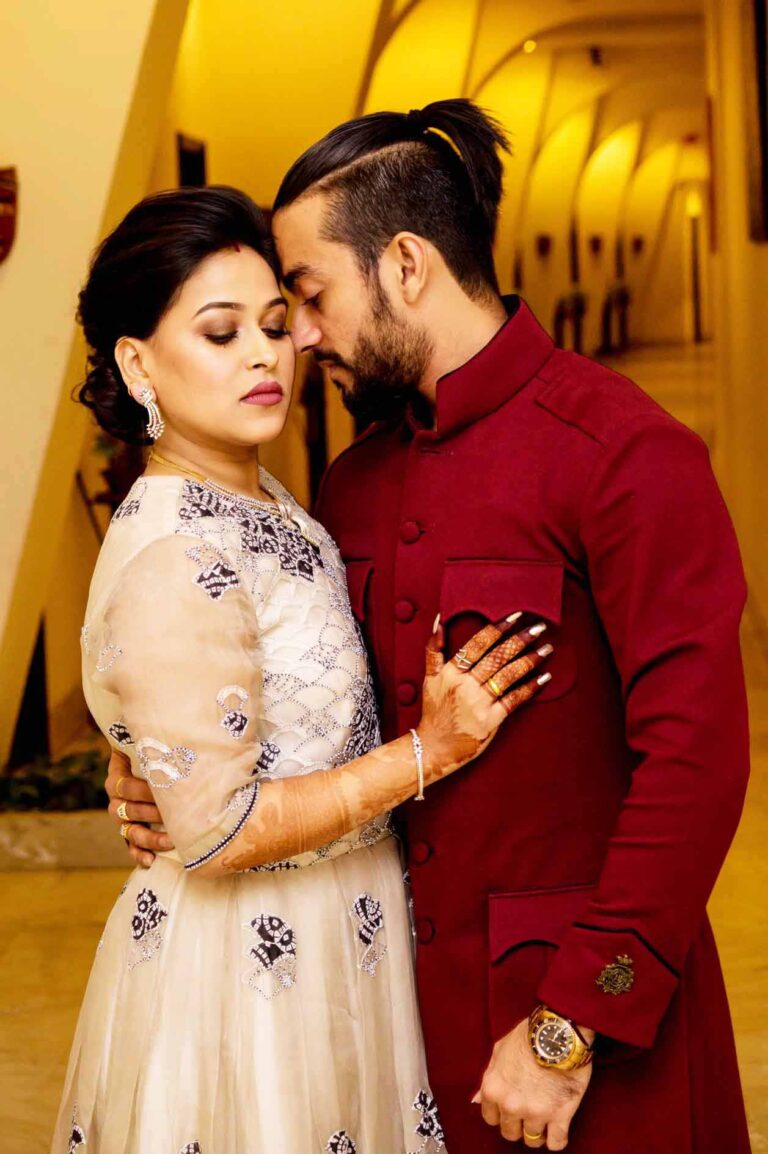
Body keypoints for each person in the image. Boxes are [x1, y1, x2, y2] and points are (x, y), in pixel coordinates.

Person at [108, 101, 752, 1153]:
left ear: (405, 264)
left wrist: (570, 1024)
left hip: (584, 1040)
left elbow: (698, 765)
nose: (301, 336)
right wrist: (167, 767)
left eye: (310, 296)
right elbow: (312, 712)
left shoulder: (624, 454)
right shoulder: (353, 484)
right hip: (389, 1024)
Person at [53, 185, 552, 1154]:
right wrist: (429, 751)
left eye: (276, 325)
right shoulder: (175, 548)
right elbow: (218, 829)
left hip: (344, 929)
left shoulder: (270, 498)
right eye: (220, 331)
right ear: (137, 362)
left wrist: (159, 756)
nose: (264, 355)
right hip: (250, 972)